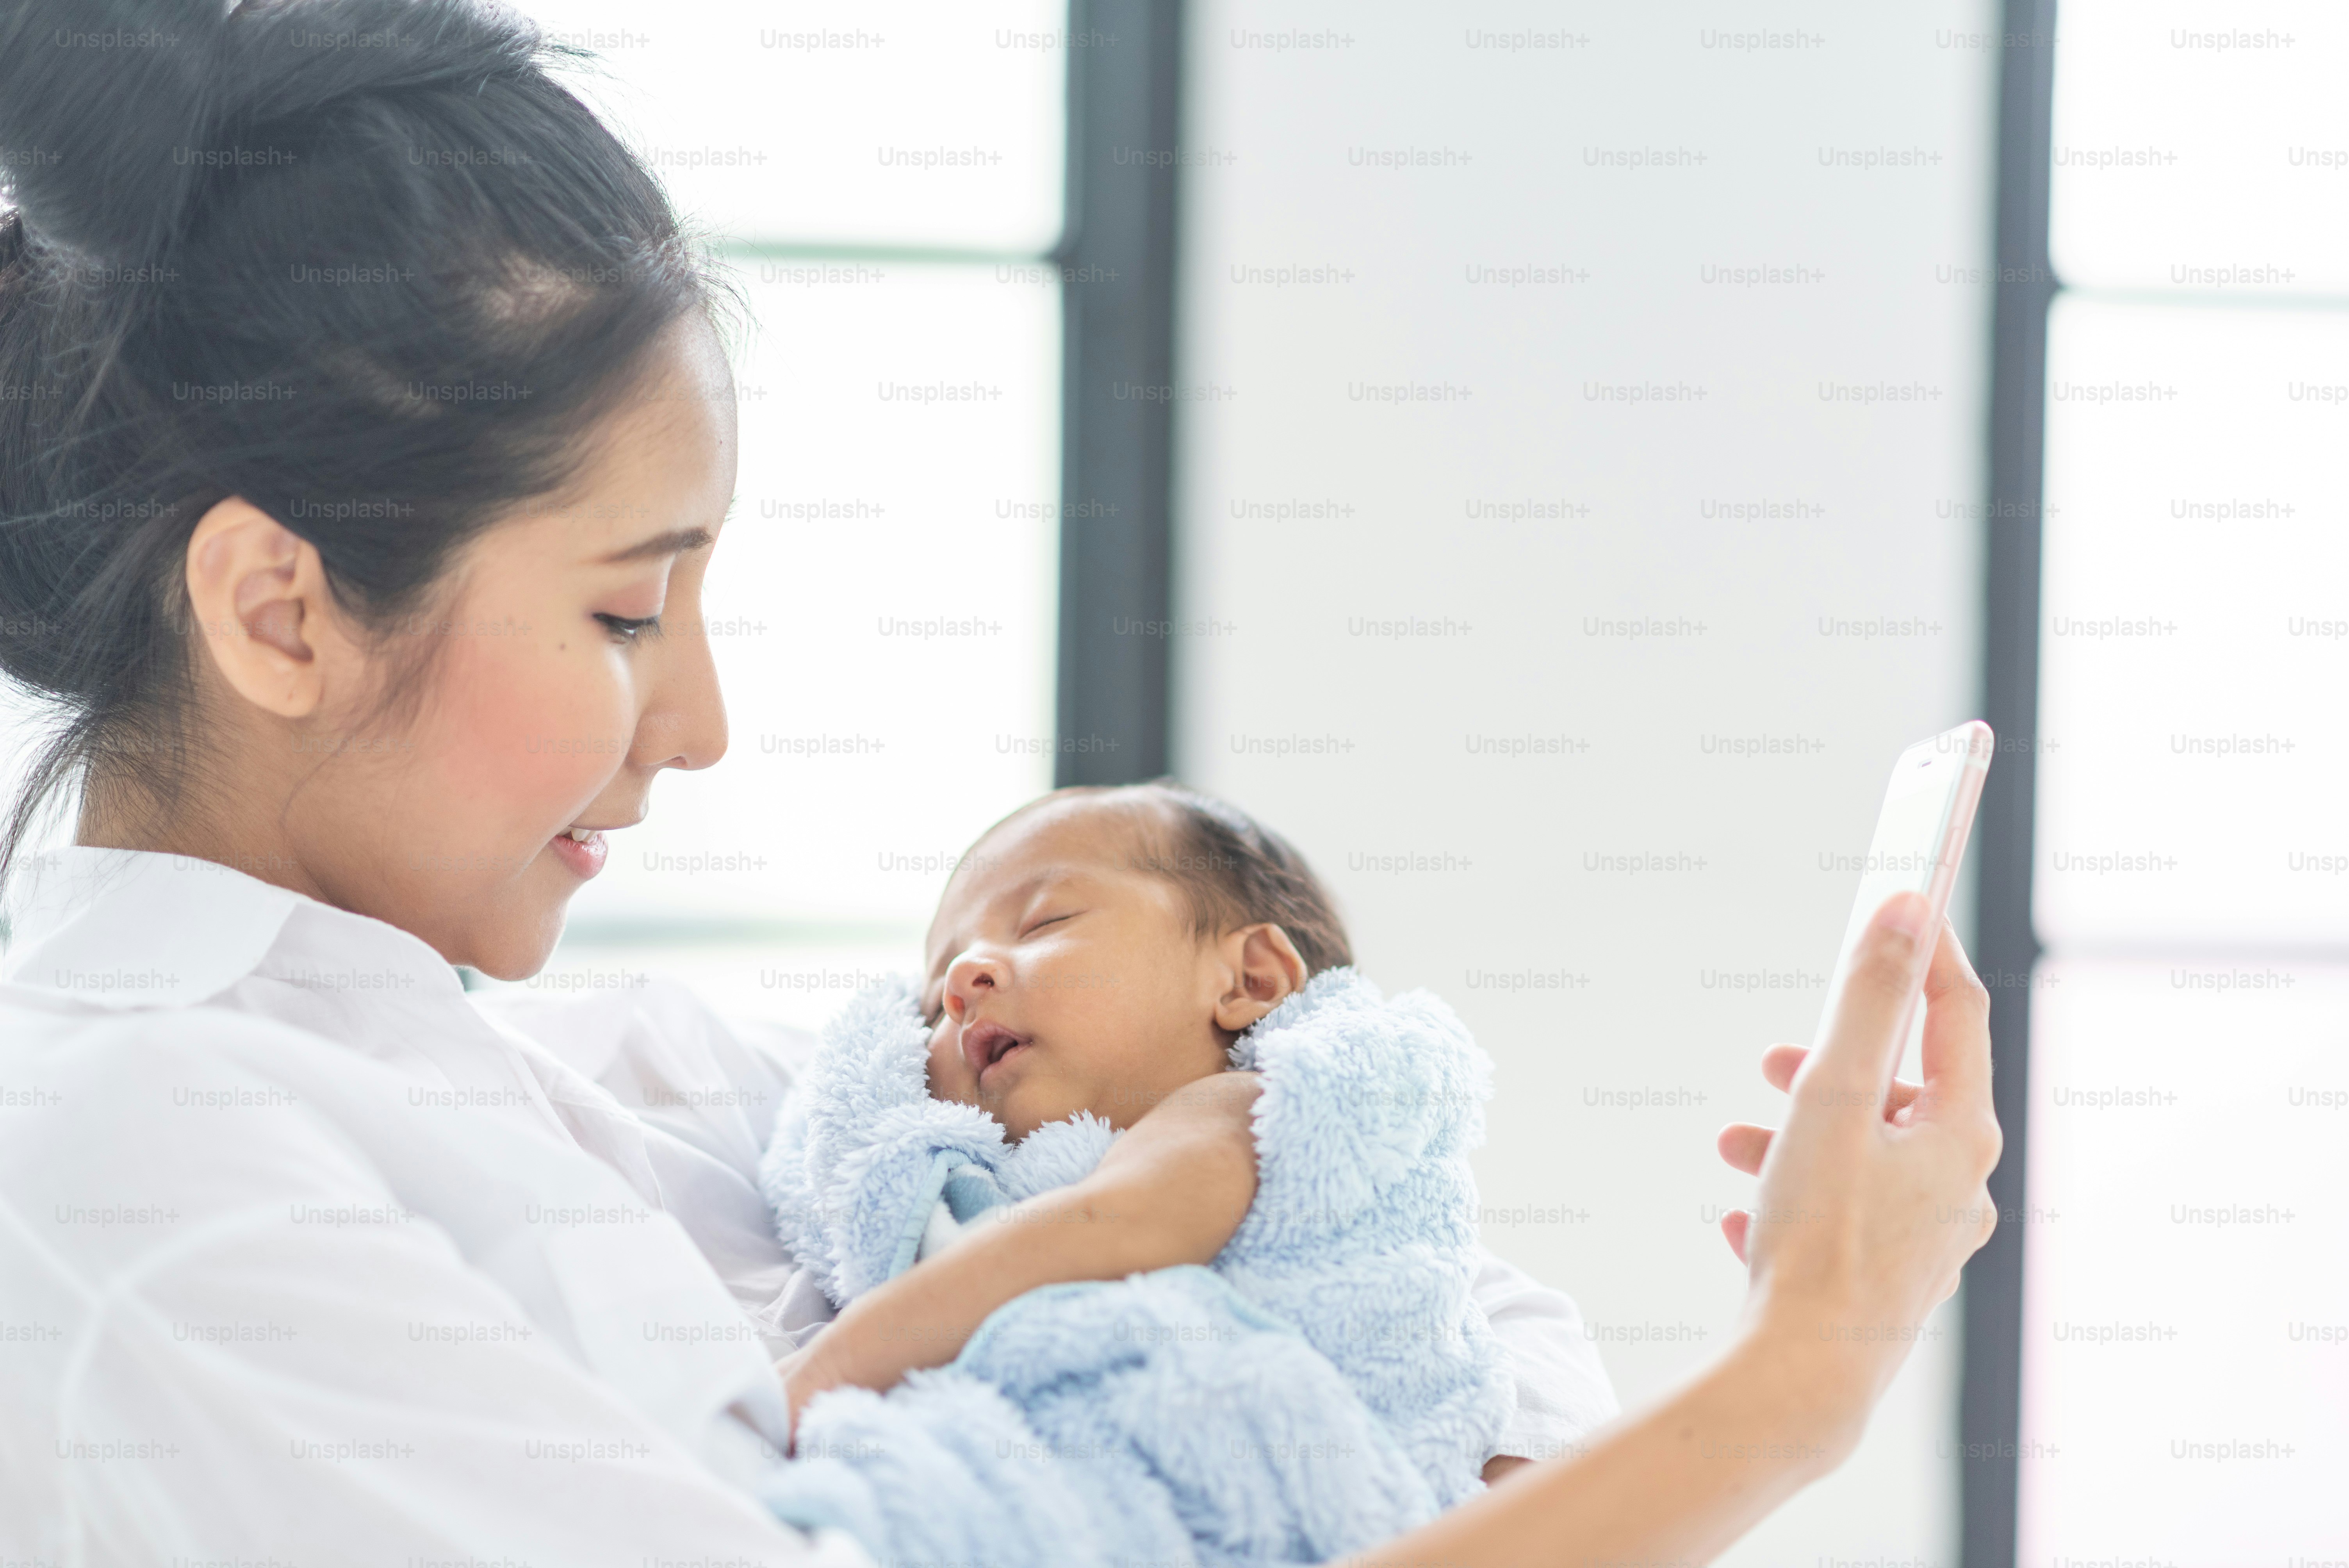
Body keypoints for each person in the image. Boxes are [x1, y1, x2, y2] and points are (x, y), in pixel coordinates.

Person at [0, 2, 2002, 1563]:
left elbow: (1423, 1267)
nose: (695, 725)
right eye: (626, 615)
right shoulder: (136, 1175)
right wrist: (1797, 1378)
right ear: (279, 609)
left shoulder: (613, 1067)